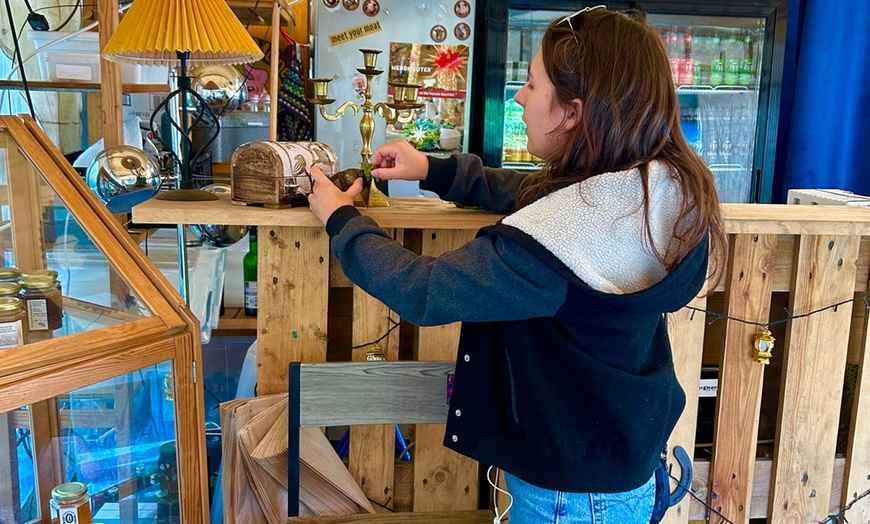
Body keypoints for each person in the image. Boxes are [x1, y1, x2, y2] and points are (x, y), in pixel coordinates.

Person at [306, 6, 725, 524]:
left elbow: (425, 290)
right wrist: (433, 169)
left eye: (531, 84)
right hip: (619, 471)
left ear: (572, 112)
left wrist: (341, 219)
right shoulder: (650, 193)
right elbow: (546, 195)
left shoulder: (560, 240)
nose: (519, 98)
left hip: (570, 501)